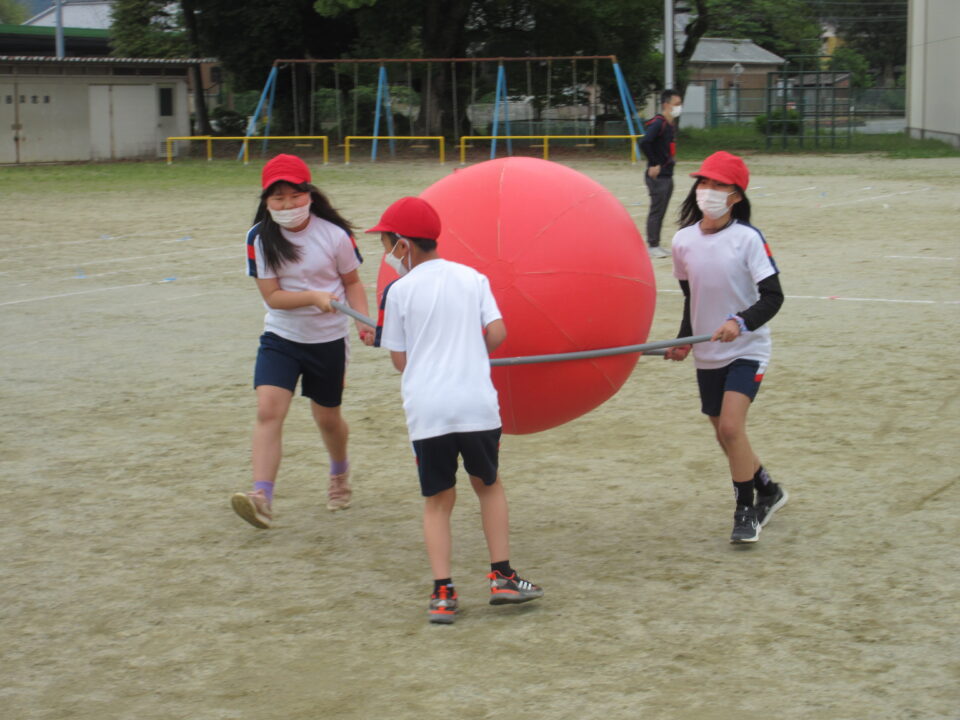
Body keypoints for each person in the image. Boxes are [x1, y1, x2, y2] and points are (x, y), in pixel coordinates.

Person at [368, 196, 543, 624]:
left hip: (429, 411)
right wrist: (468, 352)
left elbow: (399, 360)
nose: (385, 252)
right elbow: (497, 332)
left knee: (438, 501)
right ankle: (503, 576)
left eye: (387, 243)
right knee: (489, 485)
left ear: (404, 245)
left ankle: (443, 592)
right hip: (475, 405)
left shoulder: (397, 292)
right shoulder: (472, 278)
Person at [231, 154, 374, 529]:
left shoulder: (334, 235)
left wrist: (363, 322)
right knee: (268, 410)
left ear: (309, 194)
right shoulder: (259, 237)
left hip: (328, 341)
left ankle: (339, 473)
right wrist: (313, 297)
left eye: (294, 196)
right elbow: (273, 297)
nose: (287, 205)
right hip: (282, 336)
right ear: (266, 201)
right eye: (278, 198)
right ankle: (261, 497)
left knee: (327, 418)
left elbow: (353, 283)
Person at [663, 151, 788, 543]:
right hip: (707, 351)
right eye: (704, 182)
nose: (708, 191)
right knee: (725, 435)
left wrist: (740, 321)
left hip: (747, 348)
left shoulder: (748, 239)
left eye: (719, 185)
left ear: (735, 195)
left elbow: (773, 297)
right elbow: (692, 297)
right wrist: (684, 340)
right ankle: (768, 488)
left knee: (732, 427)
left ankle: (745, 513)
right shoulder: (683, 240)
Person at [640, 89, 683, 259]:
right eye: (676, 104)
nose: (679, 107)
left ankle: (656, 244)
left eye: (680, 104)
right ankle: (652, 245)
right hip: (658, 176)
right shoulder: (659, 123)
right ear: (666, 105)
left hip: (667, 174)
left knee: (662, 210)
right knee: (656, 210)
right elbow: (645, 142)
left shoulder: (670, 125)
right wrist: (653, 163)